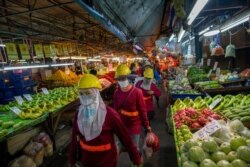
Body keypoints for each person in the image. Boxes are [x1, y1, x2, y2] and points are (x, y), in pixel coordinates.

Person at [69, 74, 142, 167]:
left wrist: (136, 158)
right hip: (87, 161)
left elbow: (125, 137)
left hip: (106, 161)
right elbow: (74, 138)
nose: (85, 97)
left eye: (88, 93)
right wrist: (72, 160)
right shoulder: (79, 114)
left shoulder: (109, 114)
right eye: (81, 94)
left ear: (96, 93)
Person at [113, 64, 152, 154]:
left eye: (123, 78)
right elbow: (115, 111)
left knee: (134, 149)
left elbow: (142, 111)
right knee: (121, 147)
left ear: (128, 78)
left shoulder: (137, 92)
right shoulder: (116, 93)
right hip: (122, 126)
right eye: (119, 79)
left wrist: (147, 125)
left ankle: (136, 163)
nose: (121, 81)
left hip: (134, 126)